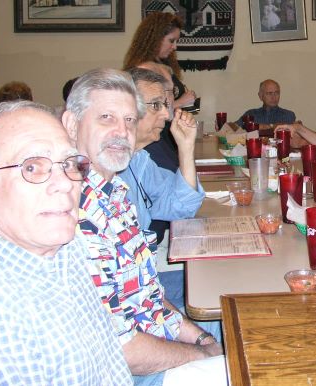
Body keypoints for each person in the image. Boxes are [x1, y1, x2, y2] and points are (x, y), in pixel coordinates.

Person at [62, 68, 225, 385]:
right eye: (106, 118)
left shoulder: (115, 193)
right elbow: (120, 348)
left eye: (129, 120)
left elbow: (147, 296)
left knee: (242, 321)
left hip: (147, 332)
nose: (122, 131)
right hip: (119, 373)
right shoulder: (70, 209)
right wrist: (204, 355)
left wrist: (201, 339)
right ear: (71, 124)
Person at [0, 100, 132, 384]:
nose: (66, 182)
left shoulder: (66, 248)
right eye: (32, 168)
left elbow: (112, 369)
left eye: (69, 164)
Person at [119, 67, 205, 309]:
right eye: (156, 105)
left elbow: (181, 207)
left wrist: (186, 148)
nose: (167, 115)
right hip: (137, 291)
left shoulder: (139, 160)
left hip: (146, 277)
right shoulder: (104, 172)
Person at [124, 12, 196, 111]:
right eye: (171, 40)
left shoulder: (165, 65)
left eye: (176, 41)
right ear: (156, 39)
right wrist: (181, 102)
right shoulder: (142, 70)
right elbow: (145, 111)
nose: (175, 47)